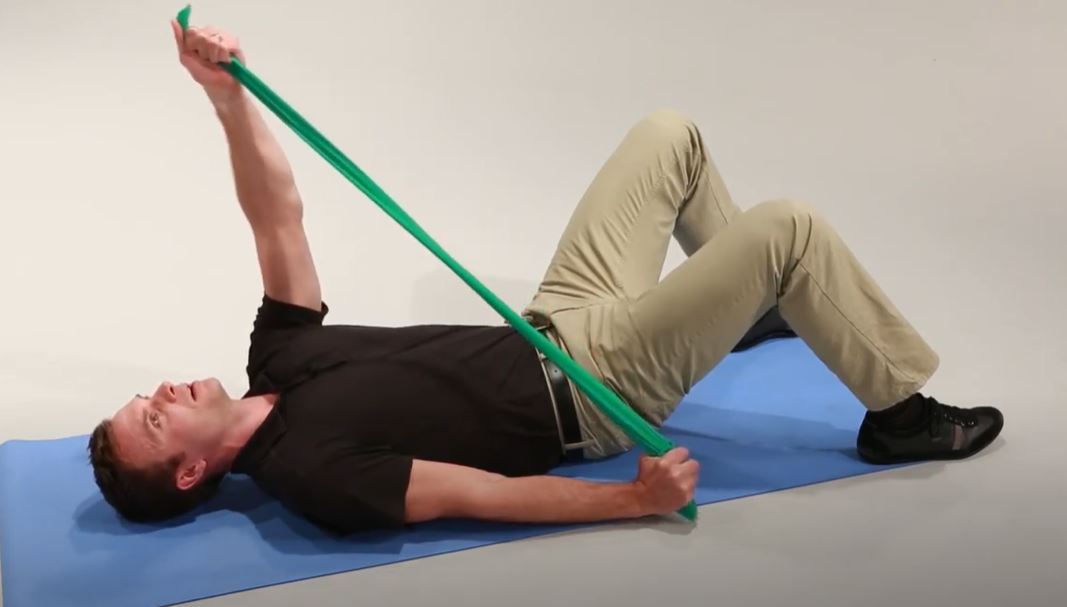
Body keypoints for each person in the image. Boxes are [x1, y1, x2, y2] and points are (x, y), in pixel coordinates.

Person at [88, 22, 1003, 534]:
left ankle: (748, 307)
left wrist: (225, 98)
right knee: (788, 228)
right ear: (191, 472)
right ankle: (899, 417)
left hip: (557, 319)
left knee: (668, 134)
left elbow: (275, 215)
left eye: (147, 395)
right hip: (593, 392)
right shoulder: (309, 473)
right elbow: (473, 494)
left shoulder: (276, 356)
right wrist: (631, 499)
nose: (165, 388)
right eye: (157, 417)